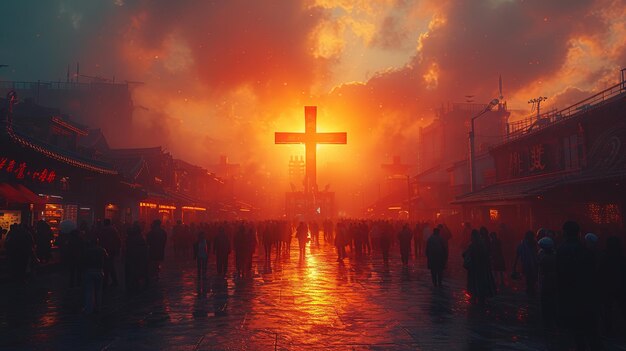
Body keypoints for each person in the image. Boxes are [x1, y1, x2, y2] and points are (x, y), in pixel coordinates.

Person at [556, 220, 602, 350]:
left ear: (565, 232)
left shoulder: (562, 250)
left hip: (570, 298)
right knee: (592, 334)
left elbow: (561, 278)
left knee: (577, 335)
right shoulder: (586, 250)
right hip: (587, 297)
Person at [463, 229, 494, 304]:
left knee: (473, 284)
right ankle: (481, 299)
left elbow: (464, 254)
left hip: (473, 268)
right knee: (481, 284)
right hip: (482, 268)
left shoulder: (471, 245)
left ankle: (475, 299)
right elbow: (486, 256)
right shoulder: (482, 244)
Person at [82, 234, 107, 314]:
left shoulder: (87, 250)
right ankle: (98, 307)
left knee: (89, 291)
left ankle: (89, 309)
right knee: (99, 291)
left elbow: (83, 260)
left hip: (89, 271)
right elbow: (106, 257)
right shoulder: (102, 250)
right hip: (99, 271)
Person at [537, 237, 557, 330]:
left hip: (546, 281)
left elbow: (540, 269)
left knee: (545, 301)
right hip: (554, 281)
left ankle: (547, 322)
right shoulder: (555, 255)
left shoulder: (544, 258)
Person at [513, 231, 539, 297]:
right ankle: (530, 291)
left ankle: (530, 291)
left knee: (531, 279)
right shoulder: (523, 245)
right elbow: (517, 255)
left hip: (532, 265)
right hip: (528, 265)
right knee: (530, 279)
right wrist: (514, 266)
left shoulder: (533, 244)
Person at [125, 222, 148, 292]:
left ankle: (131, 284)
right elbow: (144, 248)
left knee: (130, 271)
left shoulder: (129, 237)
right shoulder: (141, 238)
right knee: (137, 270)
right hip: (139, 257)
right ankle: (136, 283)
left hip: (130, 256)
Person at [98, 219, 121, 288]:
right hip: (112, 250)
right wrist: (118, 249)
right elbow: (118, 240)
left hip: (104, 249)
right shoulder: (114, 230)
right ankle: (114, 281)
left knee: (105, 266)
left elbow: (100, 240)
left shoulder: (102, 230)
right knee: (111, 266)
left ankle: (105, 282)